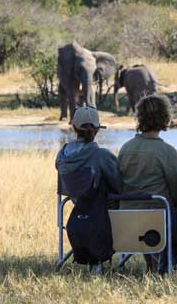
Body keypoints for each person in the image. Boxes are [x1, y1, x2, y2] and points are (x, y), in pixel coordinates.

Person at [117, 93, 177, 273]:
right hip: (156, 222)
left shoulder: (125, 148)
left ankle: (157, 264)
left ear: (139, 118)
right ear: (165, 118)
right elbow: (176, 195)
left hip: (125, 221)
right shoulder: (167, 151)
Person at [55, 106, 121, 273]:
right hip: (103, 210)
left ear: (74, 128)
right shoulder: (101, 155)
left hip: (76, 205)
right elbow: (119, 184)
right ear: (97, 130)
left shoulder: (62, 155)